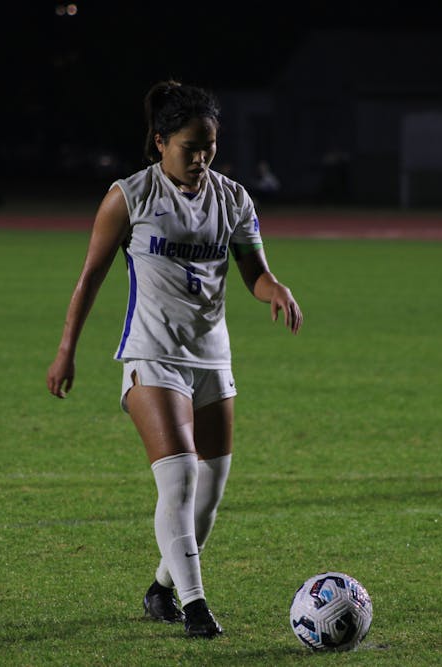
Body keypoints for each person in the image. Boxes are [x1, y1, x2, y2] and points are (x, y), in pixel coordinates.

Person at [46, 80, 303, 637]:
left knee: (207, 498)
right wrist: (66, 351)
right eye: (191, 146)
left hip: (212, 359)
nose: (202, 156)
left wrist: (275, 288)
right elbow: (91, 276)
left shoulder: (233, 199)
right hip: (151, 354)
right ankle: (196, 607)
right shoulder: (129, 196)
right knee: (181, 477)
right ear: (160, 141)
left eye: (210, 145)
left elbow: (254, 273)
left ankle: (161, 589)